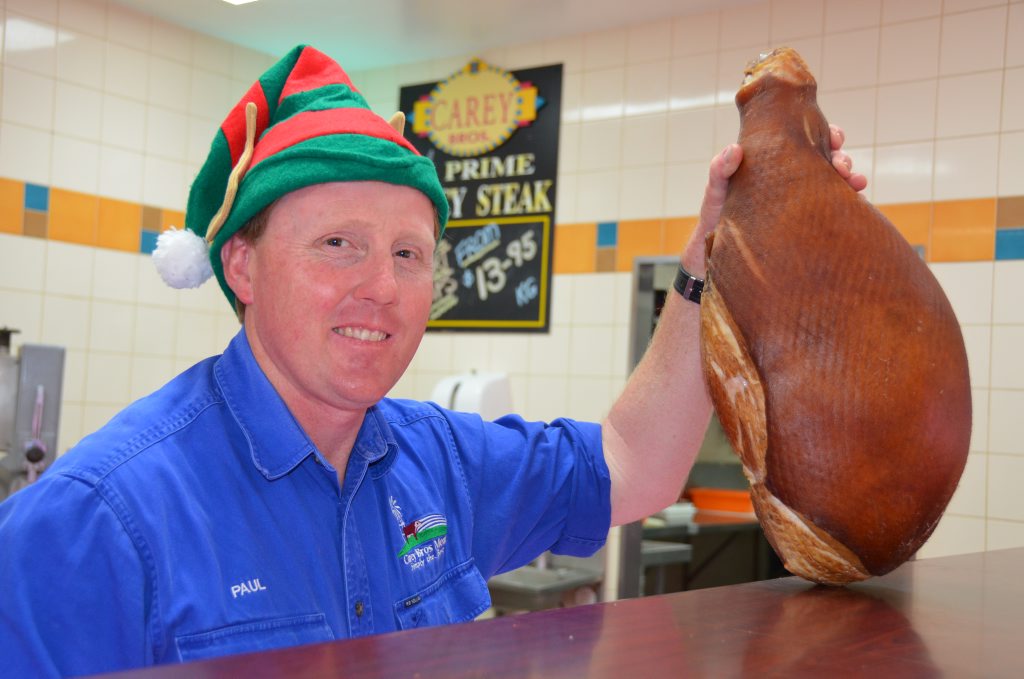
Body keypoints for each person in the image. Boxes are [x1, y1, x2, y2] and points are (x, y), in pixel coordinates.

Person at [0, 45, 865, 676]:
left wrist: (710, 267)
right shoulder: (92, 524)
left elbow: (632, 466)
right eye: (339, 243)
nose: (382, 286)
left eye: (410, 255)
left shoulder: (441, 463)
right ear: (241, 265)